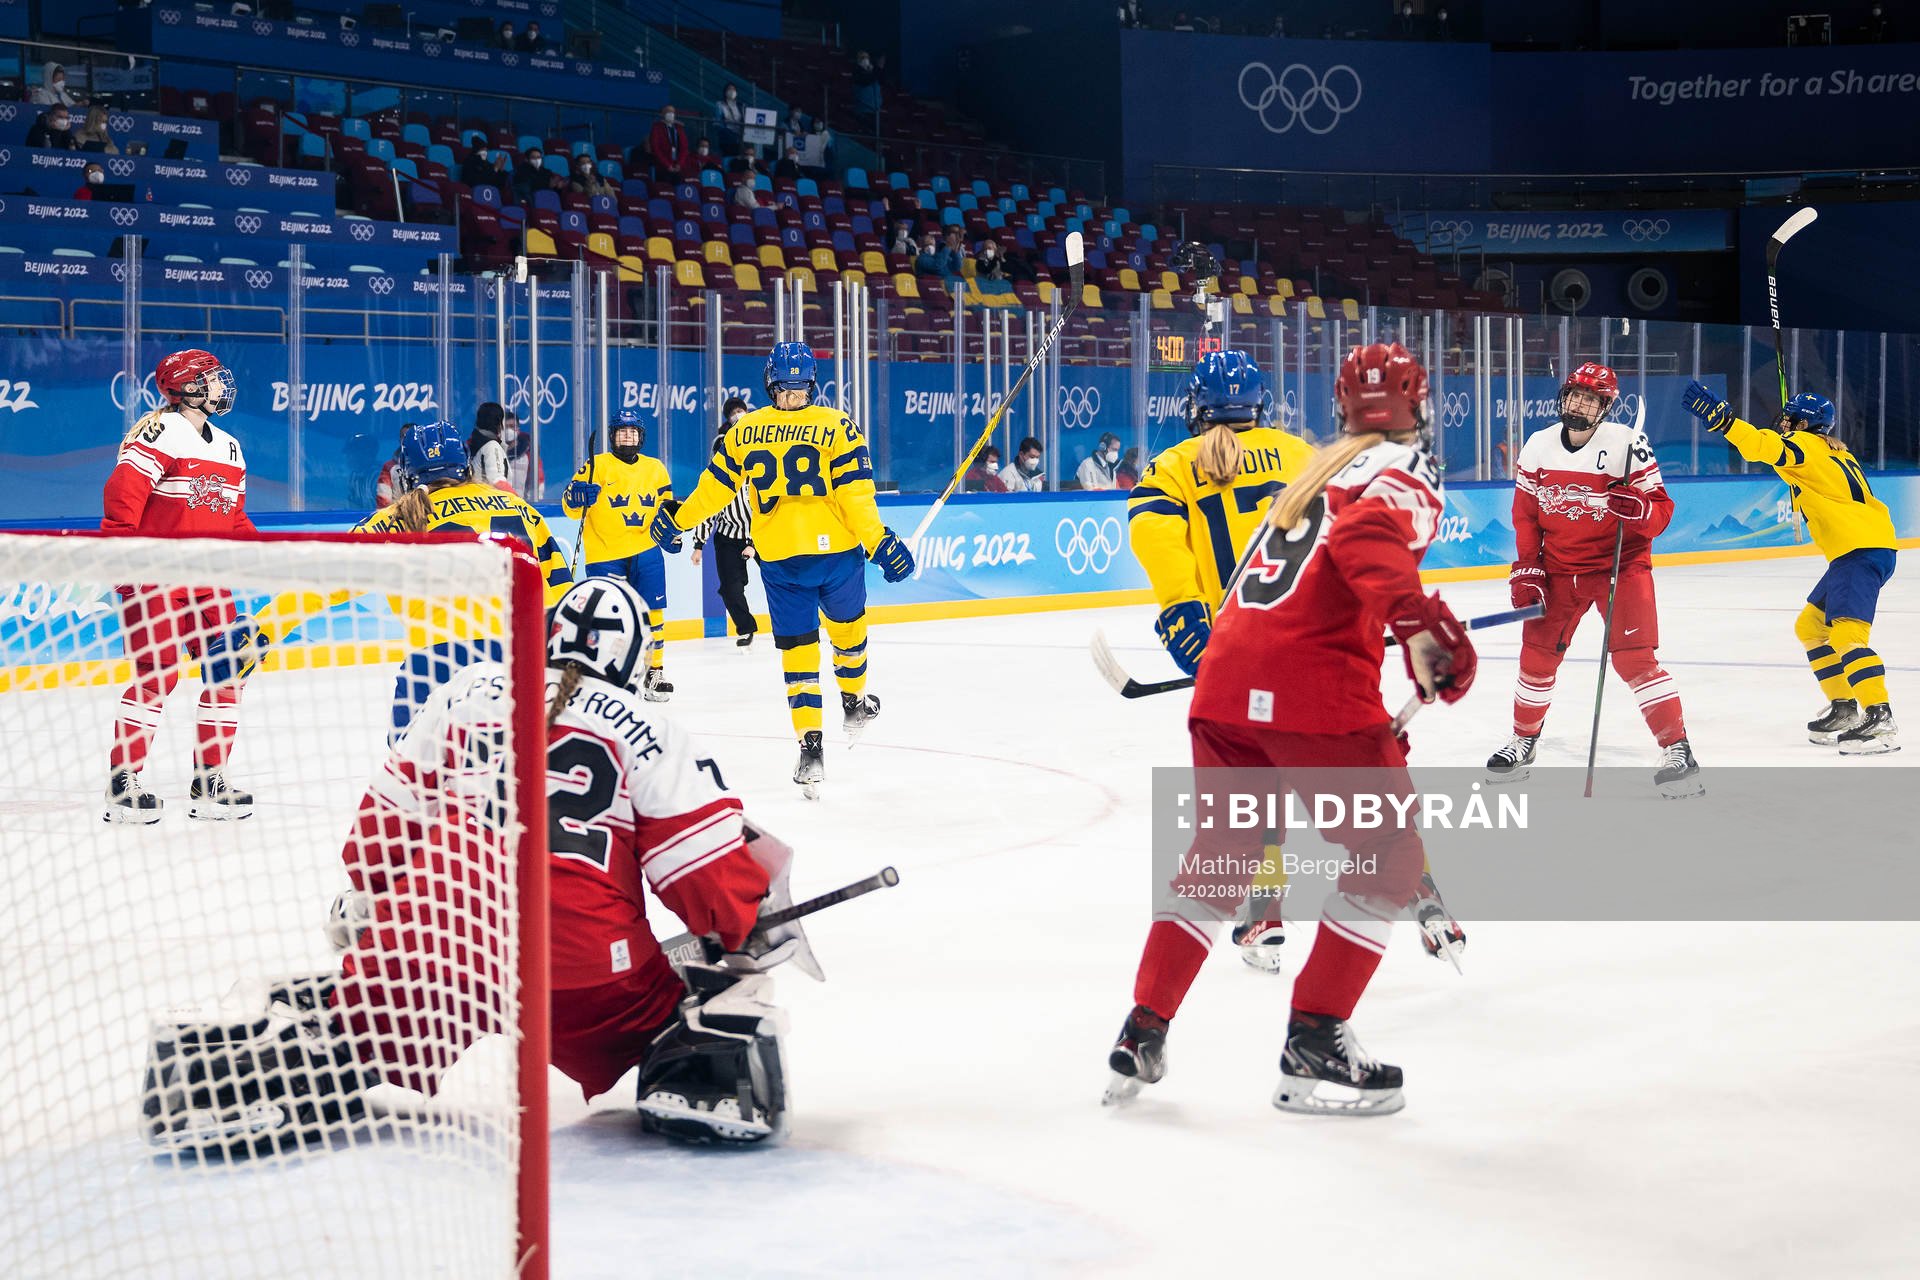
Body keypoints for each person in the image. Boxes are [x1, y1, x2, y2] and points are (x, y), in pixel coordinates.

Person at [1107, 342, 1477, 1116]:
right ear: (1420, 406)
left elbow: (1304, 578)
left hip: (1225, 679)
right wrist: (1424, 632)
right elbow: (1366, 547)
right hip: (1308, 689)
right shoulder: (1398, 468)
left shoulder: (1320, 467)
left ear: (1342, 406)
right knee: (1391, 852)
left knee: (1224, 855)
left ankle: (1144, 1026)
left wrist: (1406, 643)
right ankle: (1315, 1038)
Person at [324, 580, 810, 1144]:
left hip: (428, 957)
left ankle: (301, 1051)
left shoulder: (464, 691)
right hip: (586, 979)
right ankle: (702, 1073)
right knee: (714, 1003)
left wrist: (379, 918)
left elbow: (376, 838)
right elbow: (709, 877)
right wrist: (741, 931)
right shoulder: (648, 727)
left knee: (356, 1008)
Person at [650, 343, 916, 796]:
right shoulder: (838, 426)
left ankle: (814, 742)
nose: (791, 397)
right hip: (836, 557)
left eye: (793, 390)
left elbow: (712, 492)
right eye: (787, 390)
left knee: (801, 656)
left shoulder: (744, 430)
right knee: (846, 638)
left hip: (781, 560)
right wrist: (878, 541)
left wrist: (678, 519)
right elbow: (856, 497)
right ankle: (846, 709)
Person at [1125, 351, 1315, 968]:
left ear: (1195, 406)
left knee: (1242, 790)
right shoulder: (1302, 453)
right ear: (1259, 403)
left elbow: (1155, 538)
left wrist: (1184, 616)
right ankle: (1417, 889)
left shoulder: (1176, 463)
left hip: (1236, 648)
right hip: (1306, 642)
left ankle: (1263, 913)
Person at [1487, 362, 1702, 796]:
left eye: (1591, 398)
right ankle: (1524, 741)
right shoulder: (1537, 445)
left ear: (1605, 407)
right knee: (1536, 658)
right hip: (1560, 568)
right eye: (1575, 395)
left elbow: (1661, 509)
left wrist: (1639, 512)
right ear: (1563, 397)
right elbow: (1526, 515)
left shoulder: (1628, 444)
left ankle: (1678, 750)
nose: (1580, 403)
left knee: (1634, 661)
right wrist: (1528, 567)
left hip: (1620, 567)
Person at [1682, 381, 1900, 753]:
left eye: (1789, 419)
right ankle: (1845, 706)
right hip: (1866, 546)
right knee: (1811, 626)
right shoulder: (1835, 452)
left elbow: (1761, 446)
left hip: (1857, 551)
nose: (1783, 424)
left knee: (1848, 637)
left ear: (1801, 423)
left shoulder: (1802, 446)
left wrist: (1724, 422)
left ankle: (1880, 717)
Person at [100, 349, 257, 824]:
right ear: (188, 386)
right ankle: (122, 780)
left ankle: (210, 779)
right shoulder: (159, 431)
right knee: (158, 675)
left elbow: (234, 518)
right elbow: (122, 497)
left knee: (230, 669)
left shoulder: (229, 446)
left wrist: (265, 560)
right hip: (159, 576)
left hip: (208, 579)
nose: (219, 385)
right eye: (210, 378)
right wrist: (126, 566)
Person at [351, 422, 572, 738]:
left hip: (436, 660)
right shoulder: (520, 508)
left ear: (408, 470)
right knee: (517, 753)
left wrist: (264, 628)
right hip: (516, 652)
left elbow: (329, 572)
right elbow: (560, 587)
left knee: (409, 755)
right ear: (465, 462)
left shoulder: (394, 519)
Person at [563, 411, 680, 701]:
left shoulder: (656, 469)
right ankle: (603, 671)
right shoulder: (596, 465)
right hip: (606, 553)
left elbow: (666, 508)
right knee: (604, 615)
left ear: (641, 437)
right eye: (622, 432)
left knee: (655, 615)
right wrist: (577, 497)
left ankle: (654, 672)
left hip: (647, 550)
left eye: (633, 432)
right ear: (613, 436)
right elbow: (570, 505)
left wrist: (674, 530)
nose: (627, 436)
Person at [693, 398, 761, 648]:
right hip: (728, 538)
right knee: (731, 587)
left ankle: (795, 623)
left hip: (760, 532)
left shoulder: (755, 472)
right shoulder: (715, 476)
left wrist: (753, 542)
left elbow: (766, 509)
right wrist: (699, 544)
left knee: (781, 576)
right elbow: (706, 511)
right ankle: (746, 628)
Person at [643, 105, 690, 184]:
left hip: (677, 165)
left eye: (672, 112)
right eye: (668, 112)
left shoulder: (679, 128)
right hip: (662, 165)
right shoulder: (657, 127)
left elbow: (684, 148)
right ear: (662, 114)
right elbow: (656, 148)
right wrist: (667, 165)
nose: (671, 114)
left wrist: (679, 164)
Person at [468, 403, 511, 488]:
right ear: (499, 422)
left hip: (478, 498)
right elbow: (498, 482)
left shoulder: (474, 444)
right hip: (493, 499)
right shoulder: (491, 446)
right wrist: (519, 500)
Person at [374, 422, 415, 507]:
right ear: (400, 440)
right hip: (400, 516)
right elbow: (383, 502)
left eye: (411, 437)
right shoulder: (389, 467)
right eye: (403, 437)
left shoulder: (429, 466)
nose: (406, 440)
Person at [714, 83, 744, 154]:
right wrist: (727, 133)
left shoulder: (741, 105)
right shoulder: (720, 104)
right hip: (727, 135)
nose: (731, 91)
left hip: (739, 135)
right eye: (729, 89)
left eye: (733, 89)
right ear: (725, 92)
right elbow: (718, 122)